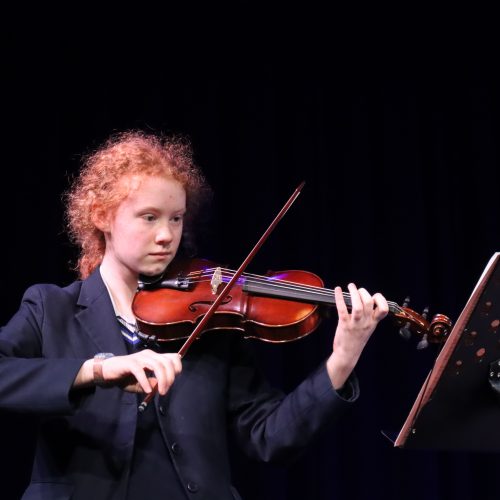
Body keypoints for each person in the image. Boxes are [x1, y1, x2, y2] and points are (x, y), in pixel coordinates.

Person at [0, 130, 389, 500]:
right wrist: (96, 370)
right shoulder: (52, 309)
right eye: (148, 217)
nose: (167, 235)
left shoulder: (209, 319)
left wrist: (341, 359)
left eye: (176, 217)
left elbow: (269, 437)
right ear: (102, 216)